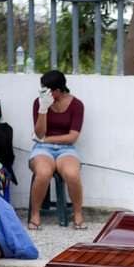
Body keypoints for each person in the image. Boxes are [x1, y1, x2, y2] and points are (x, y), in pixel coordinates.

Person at [29, 70, 87, 230]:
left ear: (58, 90)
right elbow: (39, 133)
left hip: (66, 149)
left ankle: (77, 213)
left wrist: (46, 139)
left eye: (48, 90)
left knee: (72, 174)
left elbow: (72, 137)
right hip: (42, 149)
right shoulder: (39, 103)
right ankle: (35, 214)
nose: (44, 93)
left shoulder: (76, 105)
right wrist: (43, 109)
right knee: (43, 173)